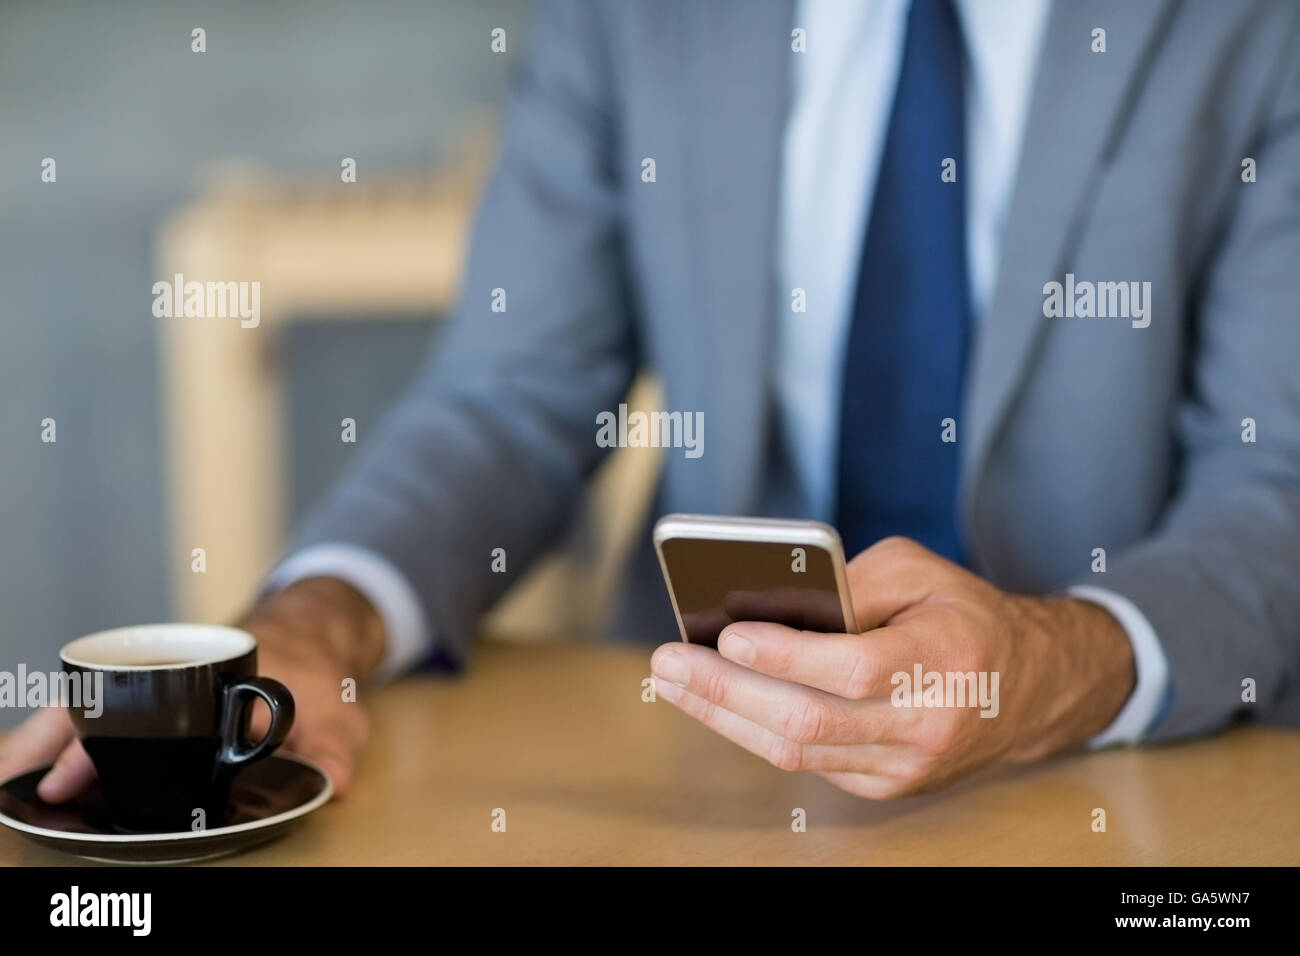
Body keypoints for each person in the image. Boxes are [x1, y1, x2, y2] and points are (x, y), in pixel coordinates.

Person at [6, 0, 1300, 802]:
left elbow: (1277, 480)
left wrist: (1062, 662)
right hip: (699, 763)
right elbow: (510, 399)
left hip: (1138, 768)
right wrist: (313, 616)